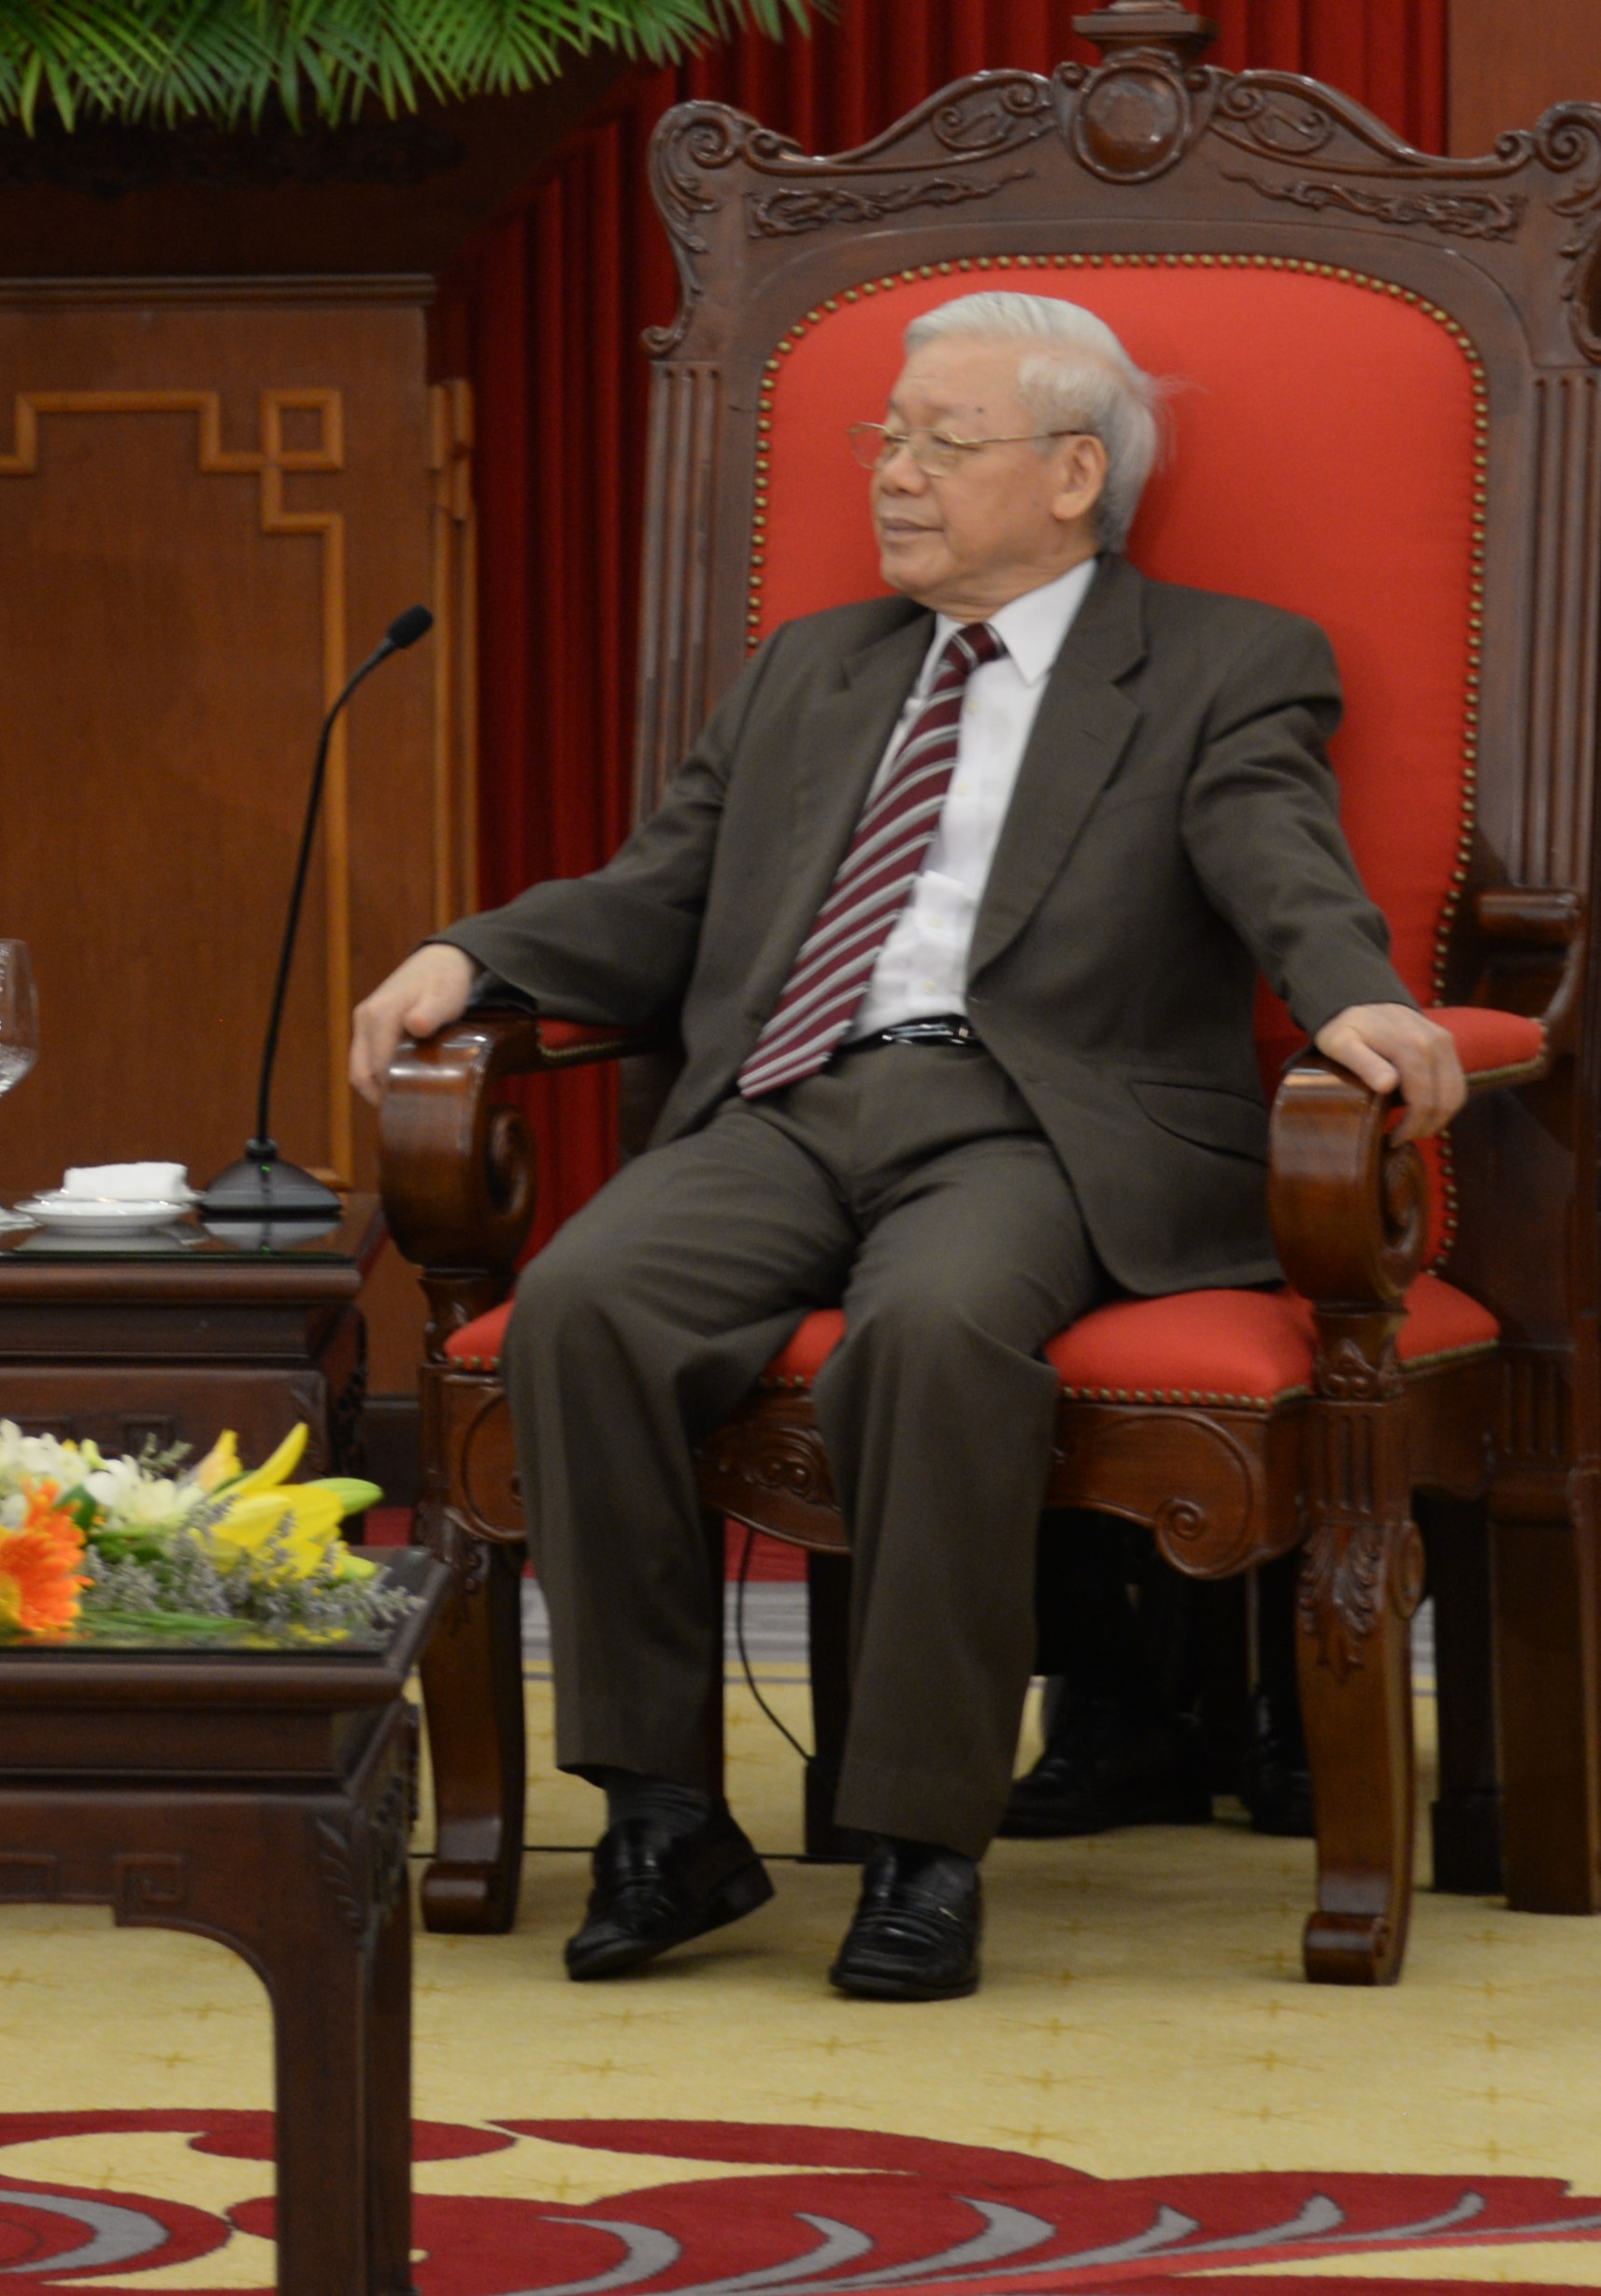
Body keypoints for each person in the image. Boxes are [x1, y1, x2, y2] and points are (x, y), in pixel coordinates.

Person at [348, 293, 1462, 2002]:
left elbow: (1274, 852)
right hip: (788, 1102)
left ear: (1072, 473)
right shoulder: (814, 665)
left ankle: (918, 1848)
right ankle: (662, 1815)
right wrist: (470, 955)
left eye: (944, 442)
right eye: (885, 437)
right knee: (582, 1306)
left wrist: (1355, 995)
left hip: (1030, 1122)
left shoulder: (1221, 661)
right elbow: (662, 889)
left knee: (935, 1334)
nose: (891, 473)